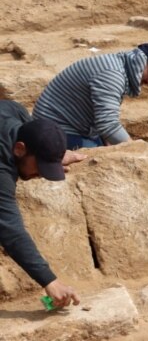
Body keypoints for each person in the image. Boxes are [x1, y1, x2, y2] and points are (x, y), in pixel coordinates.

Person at [0, 101, 80, 309]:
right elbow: (10, 230)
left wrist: (51, 157)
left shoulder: (12, 113)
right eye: (41, 167)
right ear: (19, 149)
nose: (42, 174)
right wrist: (49, 281)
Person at [32, 44, 148, 149]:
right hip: (51, 128)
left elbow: (104, 120)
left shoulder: (119, 67)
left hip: (72, 126)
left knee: (108, 148)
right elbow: (108, 125)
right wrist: (138, 149)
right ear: (140, 61)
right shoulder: (112, 75)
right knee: (99, 157)